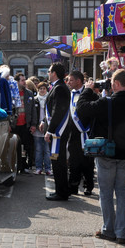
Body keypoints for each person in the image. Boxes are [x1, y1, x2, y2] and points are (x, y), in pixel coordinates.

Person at [77, 69, 125, 244]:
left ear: (117, 84)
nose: (110, 84)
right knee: (122, 192)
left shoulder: (108, 102)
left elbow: (82, 109)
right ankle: (123, 233)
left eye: (112, 82)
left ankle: (108, 230)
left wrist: (88, 90)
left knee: (106, 192)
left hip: (107, 152)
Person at [40, 62, 71, 201]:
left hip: (58, 132)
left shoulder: (60, 88)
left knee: (58, 162)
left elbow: (58, 111)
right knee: (57, 162)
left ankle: (62, 192)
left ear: (54, 73)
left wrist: (50, 131)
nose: (48, 74)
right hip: (55, 130)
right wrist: (44, 122)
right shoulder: (57, 87)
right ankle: (61, 190)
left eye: (49, 71)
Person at [67, 70, 94, 195]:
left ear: (78, 81)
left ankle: (88, 186)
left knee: (88, 162)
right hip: (74, 133)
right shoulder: (69, 93)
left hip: (87, 132)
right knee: (74, 161)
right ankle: (73, 186)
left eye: (71, 80)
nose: (68, 82)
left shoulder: (88, 93)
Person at [13, 73, 35, 174]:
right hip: (14, 125)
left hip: (25, 125)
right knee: (15, 147)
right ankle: (15, 166)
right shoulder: (12, 93)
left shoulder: (29, 93)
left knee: (25, 147)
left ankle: (23, 166)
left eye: (24, 80)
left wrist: (33, 124)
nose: (24, 82)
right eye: (22, 80)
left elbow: (33, 110)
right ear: (17, 82)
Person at [32, 82, 52, 175]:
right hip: (37, 128)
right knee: (38, 149)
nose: (42, 90)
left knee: (47, 150)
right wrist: (35, 125)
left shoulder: (49, 99)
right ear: (38, 90)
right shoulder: (35, 99)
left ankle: (48, 168)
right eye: (40, 89)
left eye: (44, 88)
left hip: (47, 127)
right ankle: (38, 168)